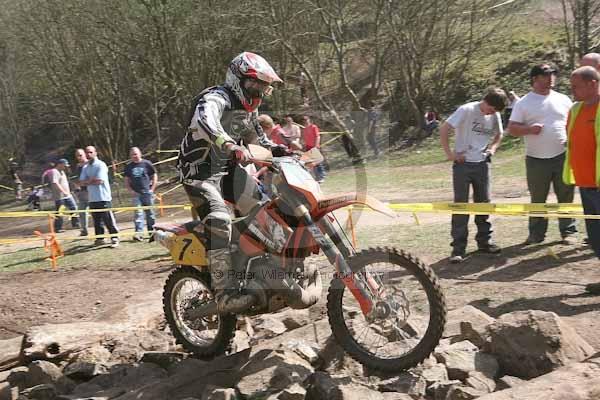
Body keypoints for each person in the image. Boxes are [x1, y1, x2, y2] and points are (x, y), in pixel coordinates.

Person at [177, 51, 284, 314]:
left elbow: (259, 140)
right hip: (199, 173)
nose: (259, 91)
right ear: (239, 79)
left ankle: (269, 269)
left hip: (228, 171)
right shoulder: (215, 98)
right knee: (219, 220)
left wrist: (282, 151)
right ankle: (224, 292)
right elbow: (206, 121)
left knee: (266, 211)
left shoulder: (250, 109)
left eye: (264, 87)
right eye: (256, 84)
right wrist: (228, 143)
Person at [508, 64, 577, 245]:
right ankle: (536, 234)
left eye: (553, 75)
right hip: (536, 159)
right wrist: (529, 129)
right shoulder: (524, 103)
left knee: (566, 195)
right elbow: (512, 128)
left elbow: (573, 122)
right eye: (546, 75)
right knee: (538, 199)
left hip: (563, 156)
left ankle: (568, 232)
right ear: (535, 78)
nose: (551, 78)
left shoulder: (563, 99)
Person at [440, 87, 508, 263]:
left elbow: (500, 134)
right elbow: (445, 128)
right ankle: (458, 248)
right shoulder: (467, 110)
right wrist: (450, 154)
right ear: (486, 102)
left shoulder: (494, 115)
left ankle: (485, 242)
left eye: (495, 111)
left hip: (482, 165)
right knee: (461, 206)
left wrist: (492, 148)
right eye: (491, 109)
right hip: (463, 165)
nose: (491, 113)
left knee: (483, 204)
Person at [563, 67, 600, 294]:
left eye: (575, 86)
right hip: (586, 185)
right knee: (596, 238)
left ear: (592, 83)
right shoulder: (575, 109)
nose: (572, 91)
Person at [79, 146, 120, 248]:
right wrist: (91, 180)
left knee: (108, 219)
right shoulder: (85, 167)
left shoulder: (101, 165)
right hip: (92, 198)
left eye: (90, 152)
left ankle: (114, 237)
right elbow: (81, 182)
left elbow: (99, 181)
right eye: (87, 152)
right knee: (97, 220)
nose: (88, 154)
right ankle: (100, 238)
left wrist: (88, 181)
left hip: (103, 197)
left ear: (95, 153)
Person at [124, 147, 157, 242]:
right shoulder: (128, 167)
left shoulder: (147, 163)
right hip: (136, 194)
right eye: (132, 154)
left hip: (147, 193)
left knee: (150, 214)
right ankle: (139, 234)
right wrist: (130, 191)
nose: (134, 156)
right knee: (138, 214)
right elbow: (126, 180)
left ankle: (152, 233)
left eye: (136, 154)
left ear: (140, 154)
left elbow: (154, 175)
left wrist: (152, 189)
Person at [49, 159, 80, 233]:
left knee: (74, 208)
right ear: (60, 164)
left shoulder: (62, 172)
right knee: (60, 211)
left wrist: (70, 190)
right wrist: (63, 191)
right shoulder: (54, 171)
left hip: (68, 195)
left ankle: (76, 224)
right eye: (64, 165)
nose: (66, 167)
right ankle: (58, 228)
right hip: (60, 197)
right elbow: (55, 183)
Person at [302, 115, 325, 182]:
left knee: (318, 162)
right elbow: (305, 138)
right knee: (311, 163)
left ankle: (322, 176)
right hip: (308, 147)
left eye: (306, 119)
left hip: (314, 146)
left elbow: (318, 136)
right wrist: (304, 145)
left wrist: (316, 145)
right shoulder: (304, 129)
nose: (305, 121)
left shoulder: (313, 127)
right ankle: (316, 177)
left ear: (309, 120)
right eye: (304, 120)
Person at [74, 149, 90, 236]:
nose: (79, 157)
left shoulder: (89, 164)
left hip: (91, 191)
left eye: (80, 155)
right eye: (77, 156)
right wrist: (77, 189)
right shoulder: (78, 166)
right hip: (82, 192)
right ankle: (84, 230)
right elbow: (78, 179)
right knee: (82, 212)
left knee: (97, 212)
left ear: (84, 154)